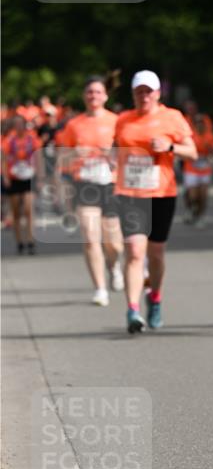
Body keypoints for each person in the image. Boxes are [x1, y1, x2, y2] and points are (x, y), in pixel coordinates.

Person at [114, 70, 196, 333]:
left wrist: (170, 147)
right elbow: (116, 152)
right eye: (139, 91)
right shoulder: (123, 120)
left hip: (161, 193)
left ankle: (156, 298)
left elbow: (192, 152)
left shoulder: (172, 117)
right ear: (133, 94)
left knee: (156, 254)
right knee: (134, 251)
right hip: (130, 194)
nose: (144, 96)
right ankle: (133, 309)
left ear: (158, 93)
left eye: (148, 91)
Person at [57, 77, 124, 305]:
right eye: (89, 92)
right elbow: (61, 158)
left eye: (98, 92)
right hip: (85, 183)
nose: (93, 96)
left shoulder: (118, 121)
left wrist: (113, 155)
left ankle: (113, 265)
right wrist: (75, 154)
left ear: (105, 96)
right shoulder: (74, 125)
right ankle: (100, 288)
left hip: (111, 183)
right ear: (84, 96)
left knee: (114, 242)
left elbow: (130, 153)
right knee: (90, 238)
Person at [1, 115, 42, 253]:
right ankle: (19, 241)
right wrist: (5, 176)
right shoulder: (9, 140)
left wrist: (40, 176)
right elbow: (4, 159)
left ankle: (30, 240)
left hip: (28, 177)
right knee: (16, 212)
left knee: (28, 210)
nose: (19, 126)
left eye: (21, 124)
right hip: (14, 178)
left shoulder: (32, 138)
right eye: (16, 124)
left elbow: (39, 157)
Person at [183, 114, 213, 226]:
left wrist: (210, 151)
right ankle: (189, 209)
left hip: (205, 169)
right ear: (195, 125)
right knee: (193, 195)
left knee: (203, 195)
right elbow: (184, 153)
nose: (200, 126)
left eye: (202, 123)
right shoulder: (190, 137)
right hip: (191, 168)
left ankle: (200, 216)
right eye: (197, 123)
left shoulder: (209, 136)